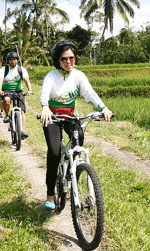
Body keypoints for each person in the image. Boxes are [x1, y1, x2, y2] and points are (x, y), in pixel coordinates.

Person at [39, 40, 113, 210]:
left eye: (71, 58)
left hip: (70, 116)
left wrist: (104, 108)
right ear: (58, 60)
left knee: (78, 139)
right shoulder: (51, 76)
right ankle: (51, 193)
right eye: (64, 59)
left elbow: (90, 93)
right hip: (52, 118)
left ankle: (72, 168)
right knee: (55, 152)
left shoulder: (79, 76)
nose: (68, 62)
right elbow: (44, 92)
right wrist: (44, 107)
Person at [0, 51, 33, 139]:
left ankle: (22, 131)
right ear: (8, 61)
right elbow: (0, 80)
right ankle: (7, 115)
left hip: (18, 91)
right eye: (11, 60)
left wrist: (30, 90)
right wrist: (0, 90)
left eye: (15, 59)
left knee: (22, 112)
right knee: (6, 100)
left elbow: (26, 80)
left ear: (17, 60)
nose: (13, 61)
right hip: (7, 90)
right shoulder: (3, 69)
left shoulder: (21, 69)